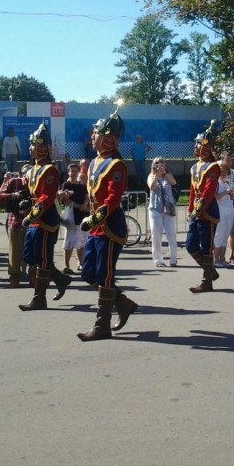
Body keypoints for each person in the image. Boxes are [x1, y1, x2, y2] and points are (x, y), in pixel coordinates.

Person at [77, 110, 138, 341]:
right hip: (96, 227)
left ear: (107, 137)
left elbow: (112, 200)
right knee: (88, 272)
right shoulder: (94, 162)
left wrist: (93, 219)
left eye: (96, 133)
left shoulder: (116, 165)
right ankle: (122, 303)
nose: (92, 136)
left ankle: (102, 326)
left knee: (104, 274)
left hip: (110, 227)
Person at [18, 123, 72, 311]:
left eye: (33, 145)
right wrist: (24, 200)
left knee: (42, 258)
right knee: (32, 256)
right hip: (35, 218)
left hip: (45, 219)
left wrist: (32, 215)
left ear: (42, 147)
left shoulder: (49, 169)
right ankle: (61, 279)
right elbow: (32, 192)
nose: (30, 148)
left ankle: (39, 298)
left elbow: (47, 197)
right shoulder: (33, 169)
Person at [186, 121, 221, 294]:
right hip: (196, 212)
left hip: (207, 212)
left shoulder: (213, 166)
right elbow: (193, 190)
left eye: (198, 143)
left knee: (207, 248)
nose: (196, 146)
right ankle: (211, 271)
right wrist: (190, 210)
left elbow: (208, 191)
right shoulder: (195, 167)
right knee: (190, 245)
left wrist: (198, 209)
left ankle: (207, 281)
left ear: (206, 146)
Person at [0, 165, 31, 288]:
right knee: (14, 252)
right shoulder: (13, 182)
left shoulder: (36, 183)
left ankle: (30, 275)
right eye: (26, 173)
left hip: (33, 221)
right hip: (15, 220)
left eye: (30, 173)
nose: (28, 176)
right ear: (21, 174)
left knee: (31, 251)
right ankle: (14, 277)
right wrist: (14, 196)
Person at [147, 156, 178, 268]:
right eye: (157, 163)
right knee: (156, 235)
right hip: (156, 209)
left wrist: (164, 173)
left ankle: (173, 260)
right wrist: (156, 174)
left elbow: (174, 182)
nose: (160, 164)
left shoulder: (168, 175)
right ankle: (158, 260)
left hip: (169, 209)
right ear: (153, 165)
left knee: (171, 235)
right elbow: (152, 187)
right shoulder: (151, 176)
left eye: (161, 162)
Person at [59, 162, 88, 273]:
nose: (74, 173)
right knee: (69, 241)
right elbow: (65, 200)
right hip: (71, 215)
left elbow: (86, 197)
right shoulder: (66, 185)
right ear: (68, 172)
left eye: (76, 171)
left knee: (81, 241)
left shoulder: (82, 185)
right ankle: (66, 265)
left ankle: (80, 263)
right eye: (72, 171)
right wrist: (78, 206)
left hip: (82, 215)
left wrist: (84, 204)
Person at [212, 163, 234, 268]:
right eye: (222, 172)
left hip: (229, 210)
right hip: (220, 211)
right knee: (219, 236)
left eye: (225, 172)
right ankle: (216, 260)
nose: (224, 174)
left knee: (225, 236)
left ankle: (222, 259)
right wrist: (226, 192)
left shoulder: (227, 183)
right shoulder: (216, 183)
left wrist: (232, 195)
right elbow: (215, 197)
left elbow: (231, 197)